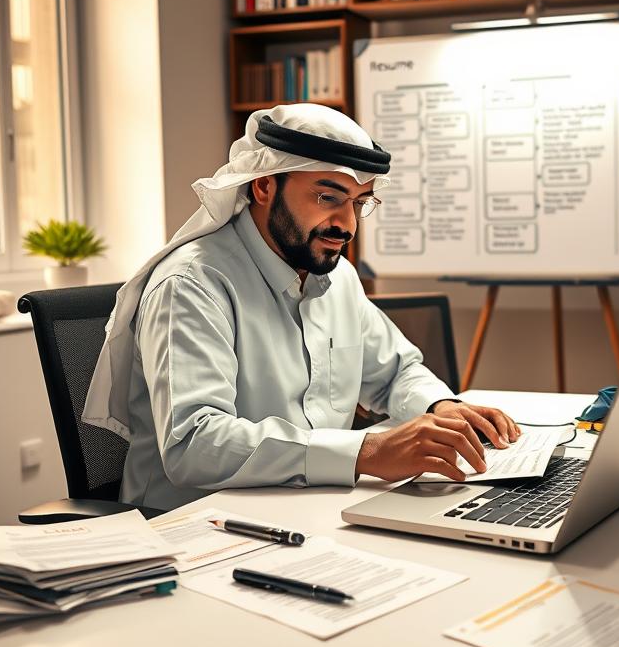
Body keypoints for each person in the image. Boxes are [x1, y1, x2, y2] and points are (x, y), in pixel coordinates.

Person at [82, 103, 519, 511]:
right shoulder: (193, 284)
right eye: (329, 198)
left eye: (359, 203)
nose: (347, 225)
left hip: (312, 509)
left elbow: (396, 372)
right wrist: (368, 451)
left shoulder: (337, 277)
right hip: (194, 528)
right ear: (264, 185)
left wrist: (438, 409)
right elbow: (195, 445)